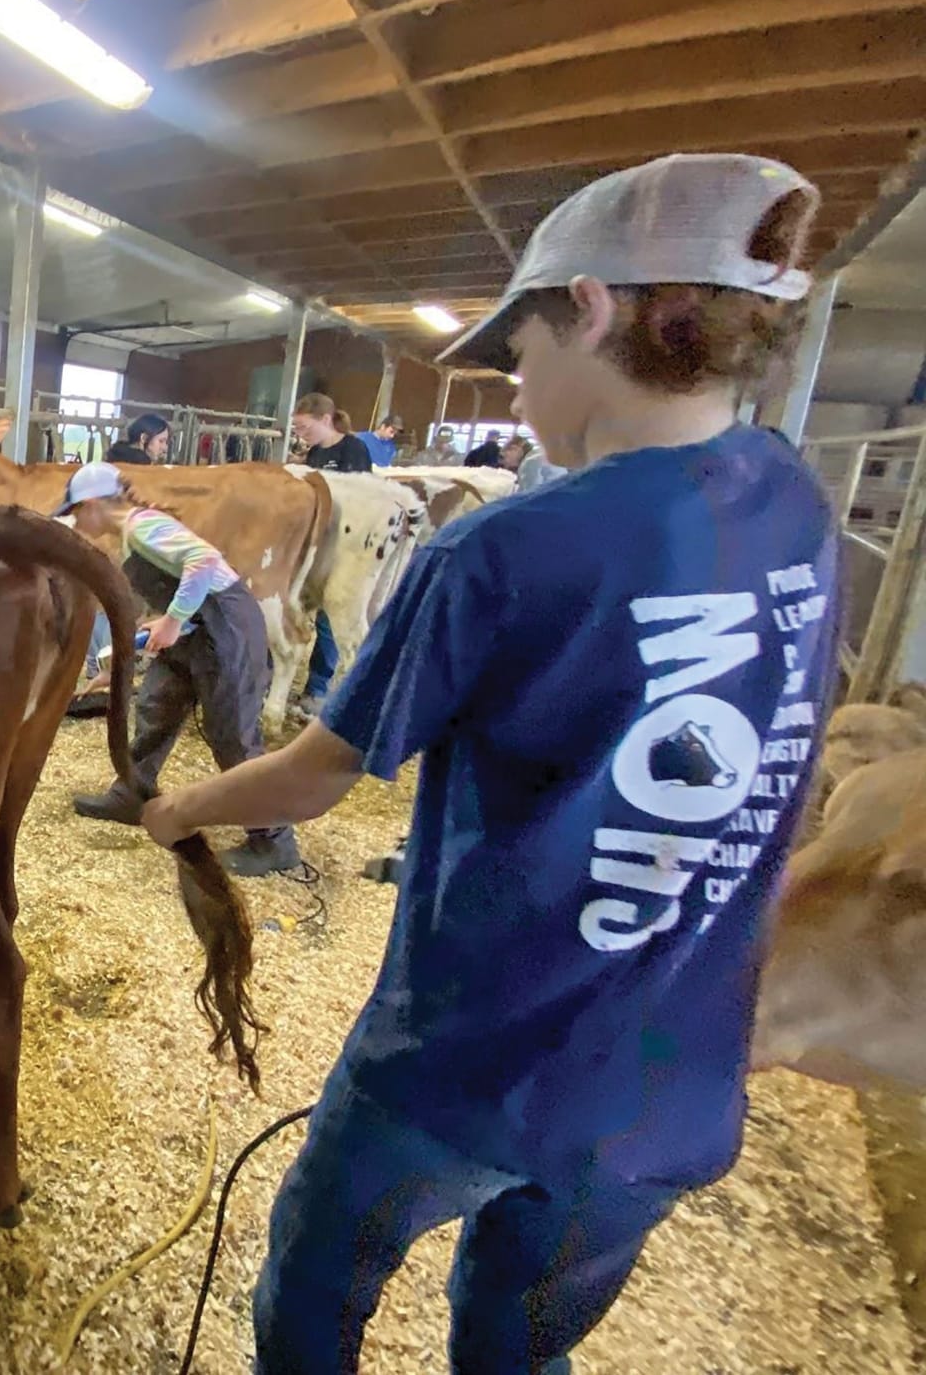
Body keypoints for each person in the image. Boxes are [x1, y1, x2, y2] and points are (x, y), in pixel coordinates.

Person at [139, 152, 837, 1374]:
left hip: (472, 1062)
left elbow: (313, 775)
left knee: (311, 1283)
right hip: (665, 1090)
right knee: (516, 1346)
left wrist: (179, 803)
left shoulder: (505, 546)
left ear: (592, 307)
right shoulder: (790, 496)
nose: (515, 396)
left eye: (518, 354)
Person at [61, 462, 302, 879]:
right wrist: (116, 665)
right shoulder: (133, 535)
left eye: (77, 510)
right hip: (198, 630)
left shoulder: (142, 527)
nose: (78, 520)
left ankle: (274, 841)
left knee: (233, 736)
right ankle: (132, 795)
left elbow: (204, 561)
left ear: (94, 504)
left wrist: (173, 619)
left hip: (226, 629)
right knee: (158, 706)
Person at [290, 394, 373, 711]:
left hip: (342, 542)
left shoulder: (353, 449)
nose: (301, 434)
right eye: (297, 428)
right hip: (312, 541)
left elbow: (360, 496)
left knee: (328, 617)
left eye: (304, 426)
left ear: (325, 419)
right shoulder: (313, 453)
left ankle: (317, 690)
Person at [106, 412, 171, 465]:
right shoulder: (140, 463)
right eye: (161, 441)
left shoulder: (115, 455)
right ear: (144, 438)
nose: (165, 448)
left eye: (166, 442)